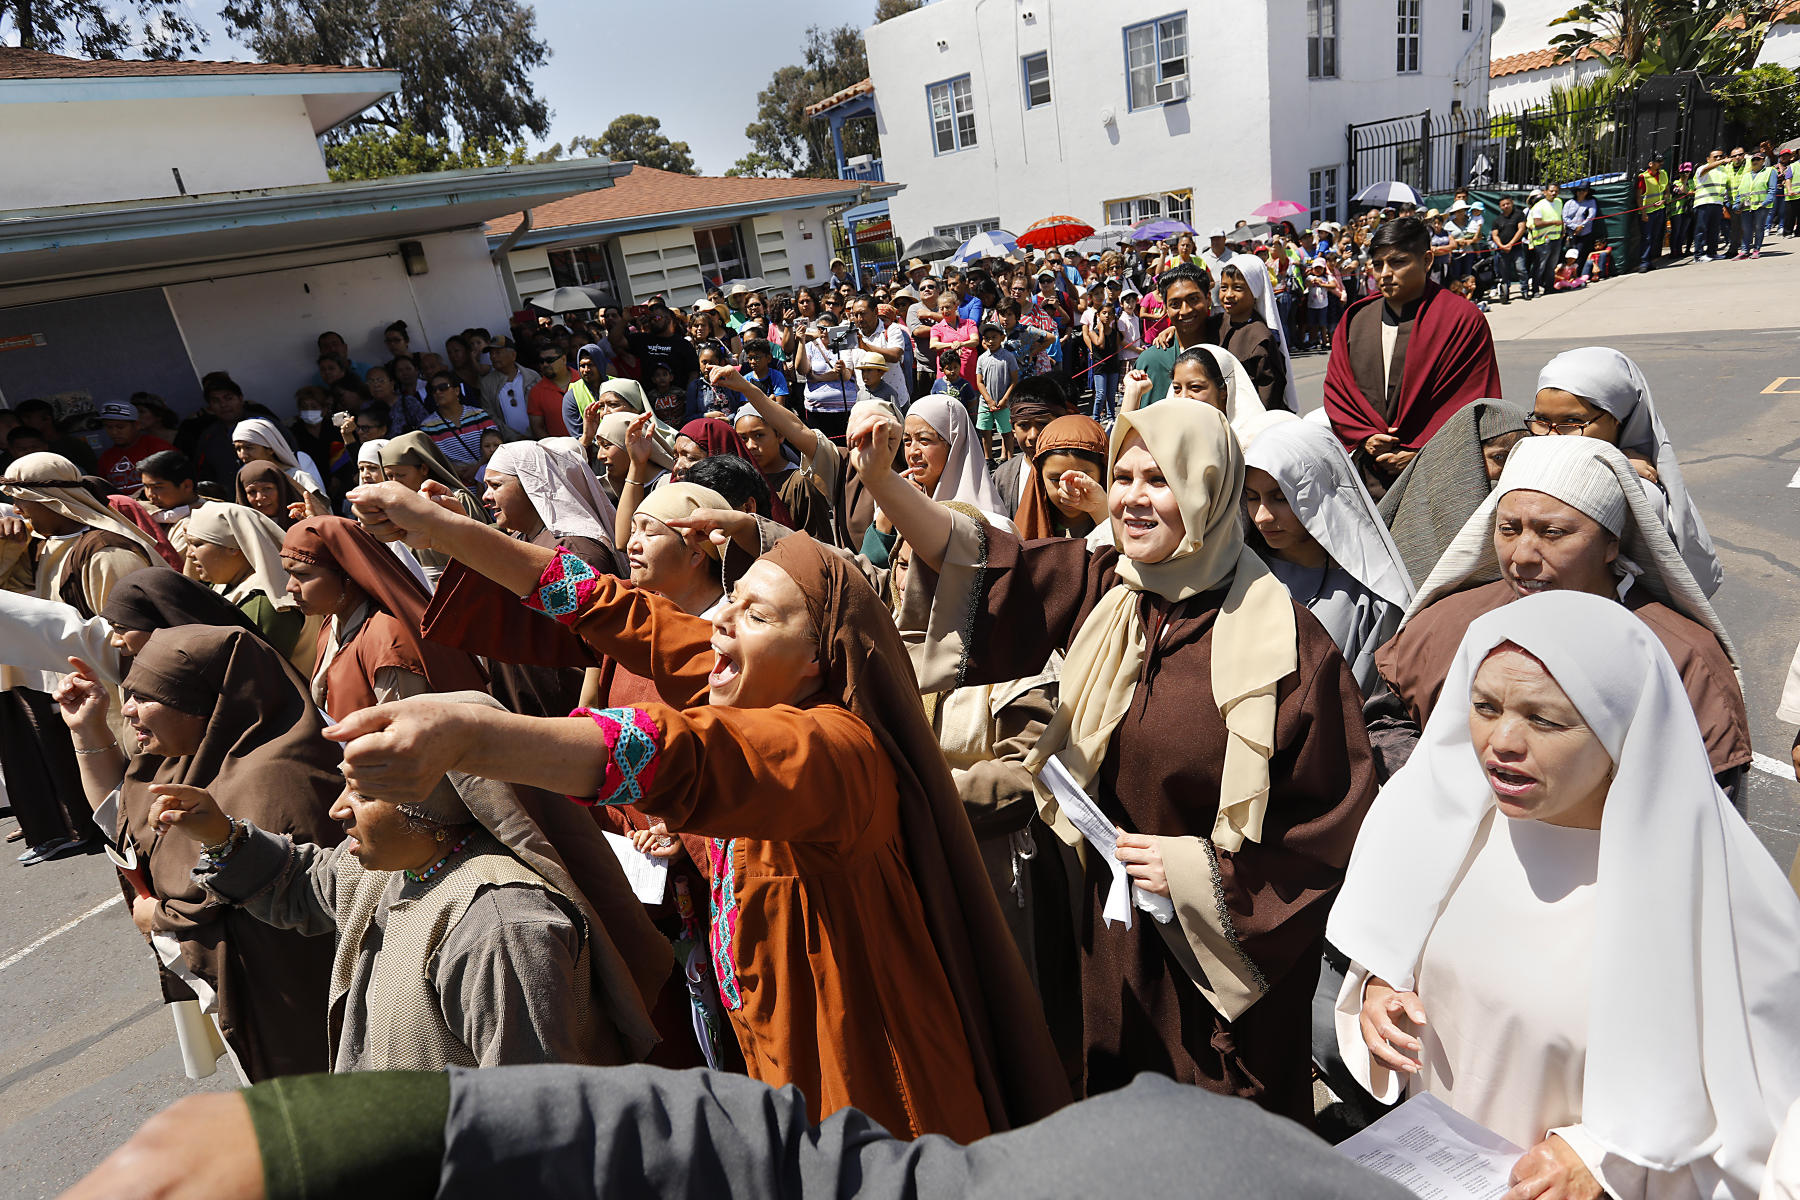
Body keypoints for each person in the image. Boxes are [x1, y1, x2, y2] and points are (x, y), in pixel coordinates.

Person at [322, 489, 1071, 1142]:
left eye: (755, 613)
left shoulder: (836, 749)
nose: (720, 625)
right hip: (783, 1049)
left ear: (817, 658)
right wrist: (443, 529)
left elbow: (683, 754)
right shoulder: (756, 671)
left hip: (869, 1079)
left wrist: (471, 737)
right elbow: (609, 609)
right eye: (730, 603)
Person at [861, 397, 1375, 1121]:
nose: (1132, 496)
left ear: (1207, 488)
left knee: (1220, 1142)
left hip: (1218, 957)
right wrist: (884, 481)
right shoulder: (1111, 588)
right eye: (1124, 475)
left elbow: (1329, 828)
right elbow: (982, 563)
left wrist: (1197, 874)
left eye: (1158, 479)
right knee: (1120, 1120)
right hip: (1107, 936)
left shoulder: (1289, 647)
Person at [1332, 593, 1800, 1198]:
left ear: (1620, 729)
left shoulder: (1710, 890)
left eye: (1545, 720)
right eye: (1484, 706)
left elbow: (1761, 1113)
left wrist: (1606, 1161)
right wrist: (1378, 986)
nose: (1501, 739)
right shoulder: (1452, 829)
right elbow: (1392, 936)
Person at [144, 690, 662, 1072]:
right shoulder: (398, 867)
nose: (337, 809)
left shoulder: (500, 928)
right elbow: (303, 885)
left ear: (432, 807)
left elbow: (533, 1116)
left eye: (363, 794)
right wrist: (218, 831)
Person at [1371, 436, 1749, 789]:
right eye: (1508, 530)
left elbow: (1703, 801)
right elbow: (1385, 722)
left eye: (1552, 533)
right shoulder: (1446, 623)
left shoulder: (1681, 657)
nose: (1522, 556)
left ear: (1610, 544)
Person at [52, 626, 342, 1081]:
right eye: (128, 693)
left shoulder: (279, 781)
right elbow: (125, 824)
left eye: (145, 696)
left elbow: (287, 905)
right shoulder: (182, 756)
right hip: (249, 1003)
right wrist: (87, 730)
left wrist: (161, 920)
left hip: (296, 1013)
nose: (126, 710)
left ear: (204, 700)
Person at [0, 453, 163, 864]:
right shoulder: (40, 549)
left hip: (122, 699)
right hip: (83, 698)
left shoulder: (106, 552)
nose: (16, 510)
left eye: (22, 499)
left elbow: (132, 640)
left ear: (51, 499)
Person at [1322, 217, 1502, 497]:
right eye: (1378, 264)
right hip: (1367, 471)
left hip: (1438, 477)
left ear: (1427, 260)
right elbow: (1338, 389)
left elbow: (1474, 399)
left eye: (1398, 262)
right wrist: (1365, 436)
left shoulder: (1461, 319)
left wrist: (1422, 451)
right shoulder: (1356, 319)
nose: (1385, 274)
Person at [1532, 346, 1722, 595]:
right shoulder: (1527, 457)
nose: (1552, 435)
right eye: (1541, 420)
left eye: (1572, 423)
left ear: (1620, 418)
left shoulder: (1639, 492)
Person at [1242, 421, 1413, 695]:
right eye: (1252, 498)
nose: (1262, 516)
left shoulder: (1371, 599)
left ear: (1321, 493)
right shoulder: (1239, 575)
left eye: (1281, 498)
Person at [278, 516, 487, 721]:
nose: (290, 587)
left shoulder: (388, 642)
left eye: (303, 575)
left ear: (347, 575)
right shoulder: (332, 623)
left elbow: (405, 735)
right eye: (288, 574)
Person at [1376, 399, 1529, 587]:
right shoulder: (1417, 525)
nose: (1509, 469)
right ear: (1465, 456)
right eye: (1499, 458)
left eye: (1519, 457)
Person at [181, 502, 312, 668]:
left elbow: (250, 674)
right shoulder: (227, 584)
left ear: (233, 547)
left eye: (197, 544)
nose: (189, 554)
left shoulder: (263, 603)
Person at [1011, 414, 1109, 541]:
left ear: (1103, 472)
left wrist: (1103, 514)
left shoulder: (1126, 527)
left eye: (1081, 479)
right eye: (1056, 480)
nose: (1069, 490)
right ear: (1039, 476)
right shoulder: (1026, 534)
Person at [1130, 263, 1219, 405]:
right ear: (1165, 307)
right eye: (1175, 304)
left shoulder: (1227, 344)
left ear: (1208, 298)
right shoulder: (1152, 361)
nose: (1185, 310)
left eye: (1194, 299)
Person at [1214, 258, 1291, 412]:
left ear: (1255, 291)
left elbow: (1269, 393)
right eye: (1224, 287)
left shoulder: (1260, 337)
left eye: (1237, 288)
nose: (1228, 294)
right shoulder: (1215, 324)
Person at [992, 377, 1078, 516]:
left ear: (1062, 421)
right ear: (1013, 428)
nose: (1033, 435)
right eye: (1023, 425)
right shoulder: (1004, 477)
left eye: (1043, 424)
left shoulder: (1080, 469)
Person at [419, 371, 502, 482]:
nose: (438, 392)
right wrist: (453, 470)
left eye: (443, 387)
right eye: (433, 390)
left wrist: (476, 469)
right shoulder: (427, 427)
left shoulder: (479, 415)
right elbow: (430, 461)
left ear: (457, 390)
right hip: (458, 488)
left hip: (488, 481)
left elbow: (497, 447)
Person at [232, 418, 328, 501]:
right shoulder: (244, 479)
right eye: (238, 449)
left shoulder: (298, 478)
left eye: (249, 448)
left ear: (270, 449)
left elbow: (321, 511)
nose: (242, 455)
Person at [95, 400, 176, 491]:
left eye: (120, 427)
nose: (114, 432)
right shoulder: (105, 458)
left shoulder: (159, 448)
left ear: (137, 425)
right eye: (109, 427)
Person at [975, 323, 1020, 458]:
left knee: (1006, 432)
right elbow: (979, 381)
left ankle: (1010, 458)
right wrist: (988, 400)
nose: (990, 341)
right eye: (987, 338)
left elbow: (1014, 380)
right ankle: (988, 459)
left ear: (1002, 337)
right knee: (986, 431)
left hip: (1003, 403)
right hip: (985, 403)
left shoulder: (1008, 357)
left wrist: (1005, 399)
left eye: (994, 337)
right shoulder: (982, 358)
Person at [235, 461, 306, 529]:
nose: (260, 497)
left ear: (281, 489)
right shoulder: (240, 532)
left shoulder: (306, 519)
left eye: (267, 488)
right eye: (252, 492)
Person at [1488, 195, 1530, 302]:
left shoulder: (1519, 215)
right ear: (1500, 206)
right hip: (1502, 250)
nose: (1506, 206)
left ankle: (1524, 290)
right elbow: (1495, 235)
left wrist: (1511, 244)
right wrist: (1502, 246)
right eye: (1503, 205)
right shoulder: (1497, 220)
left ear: (1512, 203)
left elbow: (1521, 229)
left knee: (1521, 270)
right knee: (1504, 273)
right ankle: (1505, 292)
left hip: (1516, 249)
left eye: (1508, 203)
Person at [1693, 148, 1732, 261]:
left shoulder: (1723, 171)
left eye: (1721, 156)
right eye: (1715, 157)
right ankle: (1698, 255)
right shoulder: (1702, 168)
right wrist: (1721, 162)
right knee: (1701, 229)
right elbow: (1706, 169)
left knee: (1714, 230)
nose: (1718, 158)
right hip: (1703, 203)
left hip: (1717, 203)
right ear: (1708, 159)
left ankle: (1712, 252)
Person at [527, 346, 573, 438]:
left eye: (549, 360)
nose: (544, 365)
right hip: (559, 450)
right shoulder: (536, 392)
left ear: (563, 359)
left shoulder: (584, 380)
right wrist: (553, 449)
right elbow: (537, 428)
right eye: (541, 361)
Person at [1635, 153, 1669, 272]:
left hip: (1660, 210)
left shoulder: (1664, 174)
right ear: (1651, 164)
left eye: (1661, 161)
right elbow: (1639, 197)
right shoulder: (1643, 177)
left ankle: (1649, 262)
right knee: (1647, 238)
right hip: (1648, 213)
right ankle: (1644, 262)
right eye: (1658, 161)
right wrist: (1643, 213)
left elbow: (1667, 190)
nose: (1661, 163)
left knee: (1654, 237)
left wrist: (1664, 200)